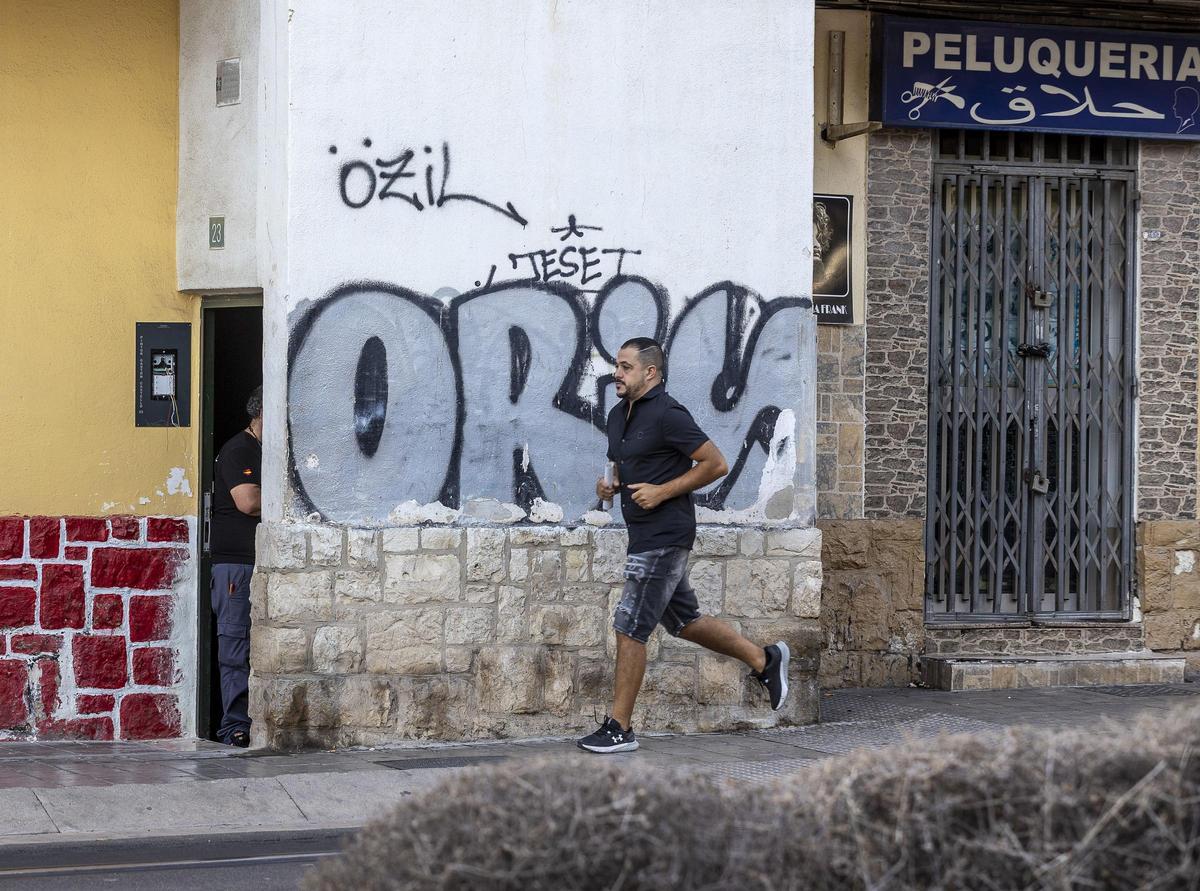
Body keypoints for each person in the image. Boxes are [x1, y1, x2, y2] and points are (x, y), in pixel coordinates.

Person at [577, 338, 789, 754]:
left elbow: (716, 464)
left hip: (665, 535)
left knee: (629, 626)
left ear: (650, 372)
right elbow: (621, 464)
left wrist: (662, 492)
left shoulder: (669, 414)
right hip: (642, 534)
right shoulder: (620, 415)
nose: (616, 374)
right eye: (616, 367)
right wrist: (609, 485)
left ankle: (620, 728)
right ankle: (765, 660)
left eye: (625, 367)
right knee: (684, 621)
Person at [209, 385, 263, 747]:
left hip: (254, 564)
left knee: (253, 645)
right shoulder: (239, 449)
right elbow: (248, 501)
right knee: (236, 644)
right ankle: (234, 727)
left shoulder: (262, 450)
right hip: (235, 567)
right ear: (261, 414)